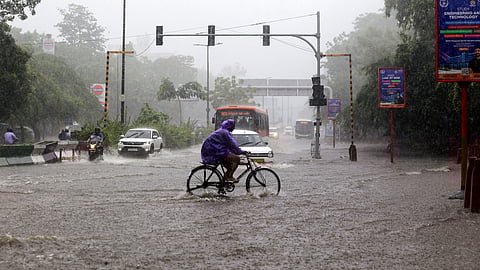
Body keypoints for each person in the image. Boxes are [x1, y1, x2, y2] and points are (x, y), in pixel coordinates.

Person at [201, 119, 246, 184]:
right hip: (215, 151)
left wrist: (236, 151)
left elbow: (229, 146)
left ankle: (225, 180)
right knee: (236, 159)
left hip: (213, 150)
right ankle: (229, 177)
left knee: (230, 165)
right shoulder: (225, 133)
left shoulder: (222, 131)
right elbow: (232, 144)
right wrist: (241, 151)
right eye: (233, 126)